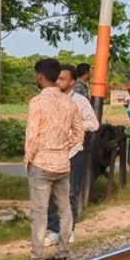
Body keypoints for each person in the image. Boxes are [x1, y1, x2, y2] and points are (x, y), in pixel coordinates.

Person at [14, 58, 84, 260]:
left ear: (40, 76)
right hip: (62, 163)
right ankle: (62, 254)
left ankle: (36, 259)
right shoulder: (70, 102)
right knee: (64, 210)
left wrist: (29, 159)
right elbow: (79, 133)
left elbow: (32, 136)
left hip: (41, 162)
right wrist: (64, 147)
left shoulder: (37, 103)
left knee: (39, 212)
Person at [46, 64, 100, 246]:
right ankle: (53, 230)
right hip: (52, 152)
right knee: (52, 192)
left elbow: (94, 124)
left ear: (72, 82)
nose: (58, 81)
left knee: (70, 192)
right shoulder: (49, 99)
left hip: (72, 152)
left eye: (62, 78)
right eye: (57, 78)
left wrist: (75, 127)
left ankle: (68, 230)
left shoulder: (80, 101)